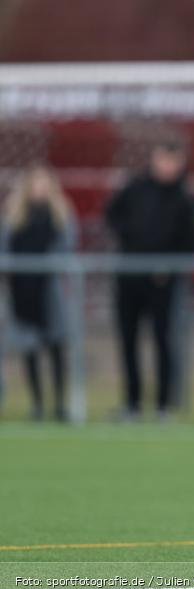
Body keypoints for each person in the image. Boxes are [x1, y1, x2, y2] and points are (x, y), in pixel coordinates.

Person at [105, 141, 194, 420]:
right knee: (128, 341)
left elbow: (193, 240)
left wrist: (169, 265)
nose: (167, 167)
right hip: (129, 278)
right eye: (163, 159)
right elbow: (111, 215)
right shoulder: (134, 188)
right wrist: (130, 242)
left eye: (173, 161)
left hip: (163, 282)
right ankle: (132, 403)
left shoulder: (185, 198)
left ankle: (162, 405)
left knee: (163, 341)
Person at [1, 165, 78, 421]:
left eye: (44, 183)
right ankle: (37, 405)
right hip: (22, 293)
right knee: (29, 348)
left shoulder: (60, 217)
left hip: (50, 291)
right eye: (35, 184)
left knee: (57, 346)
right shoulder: (13, 219)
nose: (40, 189)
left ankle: (59, 405)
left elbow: (66, 248)